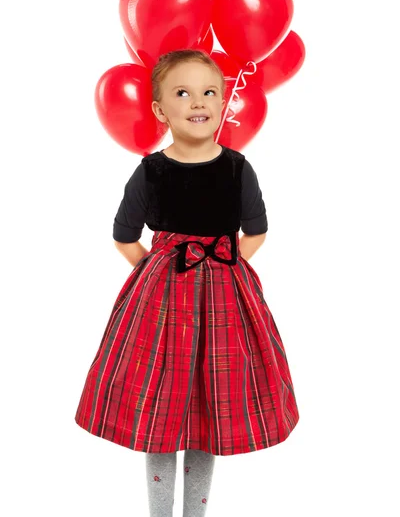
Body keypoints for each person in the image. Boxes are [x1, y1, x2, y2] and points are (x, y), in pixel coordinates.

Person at [74, 49, 300, 516]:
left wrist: (226, 262)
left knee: (208, 411)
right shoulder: (151, 171)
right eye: (182, 92)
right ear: (160, 110)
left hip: (224, 303)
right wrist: (153, 272)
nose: (198, 101)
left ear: (223, 103)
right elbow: (124, 236)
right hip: (162, 304)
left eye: (208, 92)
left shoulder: (238, 168)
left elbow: (255, 231)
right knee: (161, 410)